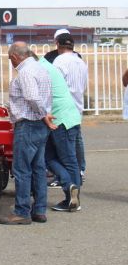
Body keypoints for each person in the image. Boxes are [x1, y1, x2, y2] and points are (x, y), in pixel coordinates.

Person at [0, 42, 56, 225]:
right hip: (39, 126)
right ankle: (39, 209)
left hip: (29, 124)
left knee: (22, 169)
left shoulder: (25, 72)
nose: (10, 61)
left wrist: (42, 115)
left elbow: (32, 97)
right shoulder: (40, 68)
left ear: (15, 56)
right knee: (38, 168)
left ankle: (22, 211)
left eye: (10, 58)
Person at [35, 51, 81, 213]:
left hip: (59, 119)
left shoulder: (38, 69)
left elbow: (36, 98)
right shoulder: (48, 66)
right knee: (63, 159)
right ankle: (72, 194)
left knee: (56, 159)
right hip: (69, 116)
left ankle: (71, 194)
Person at [52, 32, 88, 184]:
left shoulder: (59, 61)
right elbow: (85, 86)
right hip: (77, 106)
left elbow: (54, 85)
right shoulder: (80, 62)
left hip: (63, 110)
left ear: (58, 45)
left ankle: (68, 179)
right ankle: (80, 171)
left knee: (64, 149)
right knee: (76, 141)